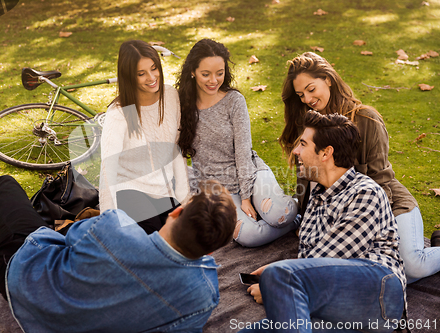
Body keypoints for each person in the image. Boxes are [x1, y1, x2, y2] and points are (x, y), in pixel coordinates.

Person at [0, 176, 236, 332]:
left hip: (22, 279)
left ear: (178, 212)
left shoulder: (114, 227)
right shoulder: (205, 295)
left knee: (5, 186)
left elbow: (67, 237)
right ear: (211, 250)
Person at [279, 51, 440, 283]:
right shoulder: (309, 125)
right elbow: (306, 178)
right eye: (300, 94)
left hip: (388, 204)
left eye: (311, 89)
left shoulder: (367, 119)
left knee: (410, 268)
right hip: (338, 212)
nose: (306, 99)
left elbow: (381, 181)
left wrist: (369, 231)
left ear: (328, 80)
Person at [242, 111, 406, 333]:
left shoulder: (365, 193)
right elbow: (309, 262)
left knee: (280, 276)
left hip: (379, 293)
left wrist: (277, 282)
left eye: (302, 144)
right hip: (334, 305)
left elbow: (327, 258)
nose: (295, 151)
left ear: (326, 153)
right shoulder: (317, 197)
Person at [176, 39, 298, 248]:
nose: (214, 80)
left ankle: (294, 215)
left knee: (281, 214)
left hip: (250, 173)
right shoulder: (181, 105)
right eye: (206, 74)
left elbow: (243, 152)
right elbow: (177, 154)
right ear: (193, 72)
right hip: (217, 189)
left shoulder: (234, 101)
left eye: (220, 73)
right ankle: (292, 223)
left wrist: (246, 197)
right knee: (248, 236)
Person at [99, 40, 189, 235]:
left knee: (184, 237)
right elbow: (108, 168)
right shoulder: (119, 112)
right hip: (130, 189)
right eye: (141, 74)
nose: (151, 77)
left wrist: (185, 198)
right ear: (129, 77)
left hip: (163, 190)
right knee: (154, 241)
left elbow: (176, 149)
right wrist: (109, 220)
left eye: (154, 68)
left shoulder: (171, 96)